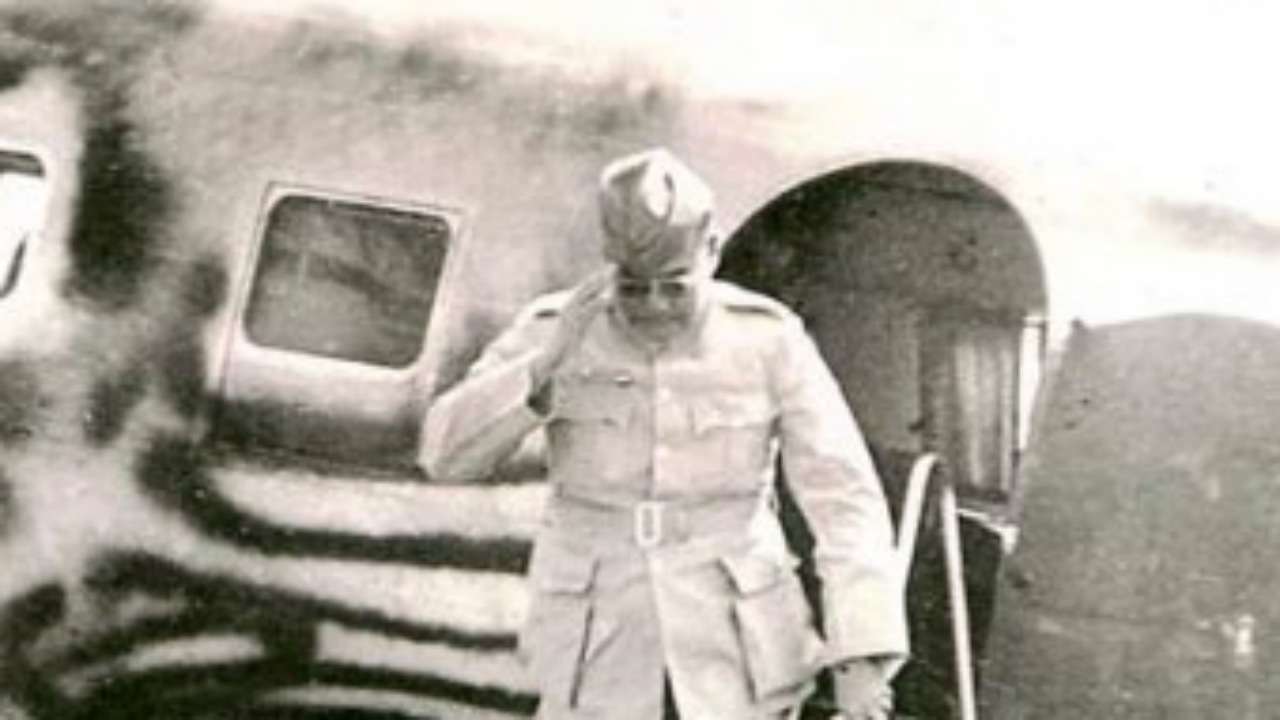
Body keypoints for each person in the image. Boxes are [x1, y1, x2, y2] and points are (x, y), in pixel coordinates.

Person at [420, 148, 907, 719]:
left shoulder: (770, 341)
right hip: (596, 646)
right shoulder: (556, 329)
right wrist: (541, 372)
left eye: (675, 287)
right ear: (607, 262)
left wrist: (860, 656)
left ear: (712, 252)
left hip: (735, 647)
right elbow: (443, 455)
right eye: (632, 286)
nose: (653, 306)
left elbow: (844, 495)